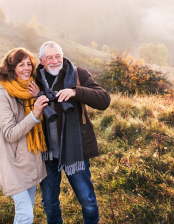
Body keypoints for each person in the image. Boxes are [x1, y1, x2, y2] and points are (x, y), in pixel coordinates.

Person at [35, 41, 111, 224]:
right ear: (41, 61)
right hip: (47, 153)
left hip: (75, 150)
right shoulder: (34, 80)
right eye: (49, 58)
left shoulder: (78, 74)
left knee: (87, 200)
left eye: (58, 56)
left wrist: (76, 91)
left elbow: (104, 100)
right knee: (49, 202)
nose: (55, 61)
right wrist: (35, 96)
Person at [0, 48, 50, 224]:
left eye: (29, 64)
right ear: (11, 68)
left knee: (25, 211)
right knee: (26, 215)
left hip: (29, 160)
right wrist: (35, 114)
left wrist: (37, 97)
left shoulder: (28, 89)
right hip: (12, 163)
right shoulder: (1, 96)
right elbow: (10, 134)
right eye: (20, 64)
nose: (26, 69)